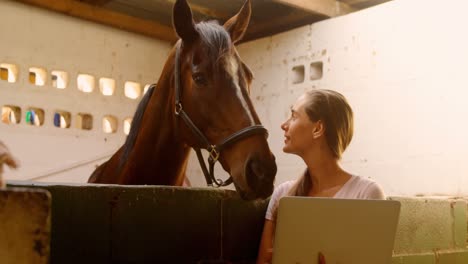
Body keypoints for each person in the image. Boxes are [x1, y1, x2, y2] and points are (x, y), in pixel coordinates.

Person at [256, 89, 385, 264]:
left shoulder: (366, 193)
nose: (284, 125)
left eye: (294, 116)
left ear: (317, 128)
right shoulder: (283, 194)